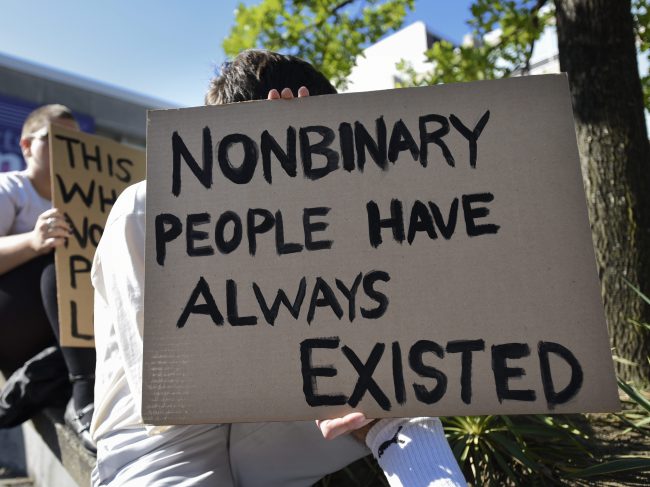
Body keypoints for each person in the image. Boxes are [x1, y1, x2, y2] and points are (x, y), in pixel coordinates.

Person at [90, 49, 467, 486]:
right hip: (165, 446)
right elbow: (180, 387)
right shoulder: (149, 207)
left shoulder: (347, 217)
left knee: (396, 380)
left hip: (283, 436)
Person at [0, 104, 97, 453]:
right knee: (59, 263)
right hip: (15, 322)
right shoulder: (11, 188)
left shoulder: (87, 197)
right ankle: (84, 393)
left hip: (69, 330)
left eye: (75, 142)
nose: (66, 150)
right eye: (55, 139)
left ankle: (53, 372)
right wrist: (32, 242)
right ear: (26, 146)